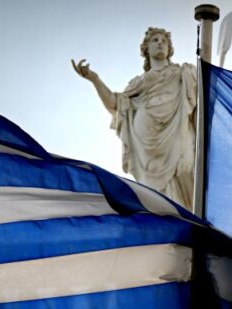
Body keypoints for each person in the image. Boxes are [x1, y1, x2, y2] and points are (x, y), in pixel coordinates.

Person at [72, 27, 197, 209]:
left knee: (185, 173)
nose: (160, 43)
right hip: (146, 149)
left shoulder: (183, 73)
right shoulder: (138, 83)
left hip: (177, 132)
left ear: (170, 49)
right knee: (155, 198)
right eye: (155, 40)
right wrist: (95, 79)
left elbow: (201, 100)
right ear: (146, 49)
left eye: (164, 41)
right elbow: (115, 104)